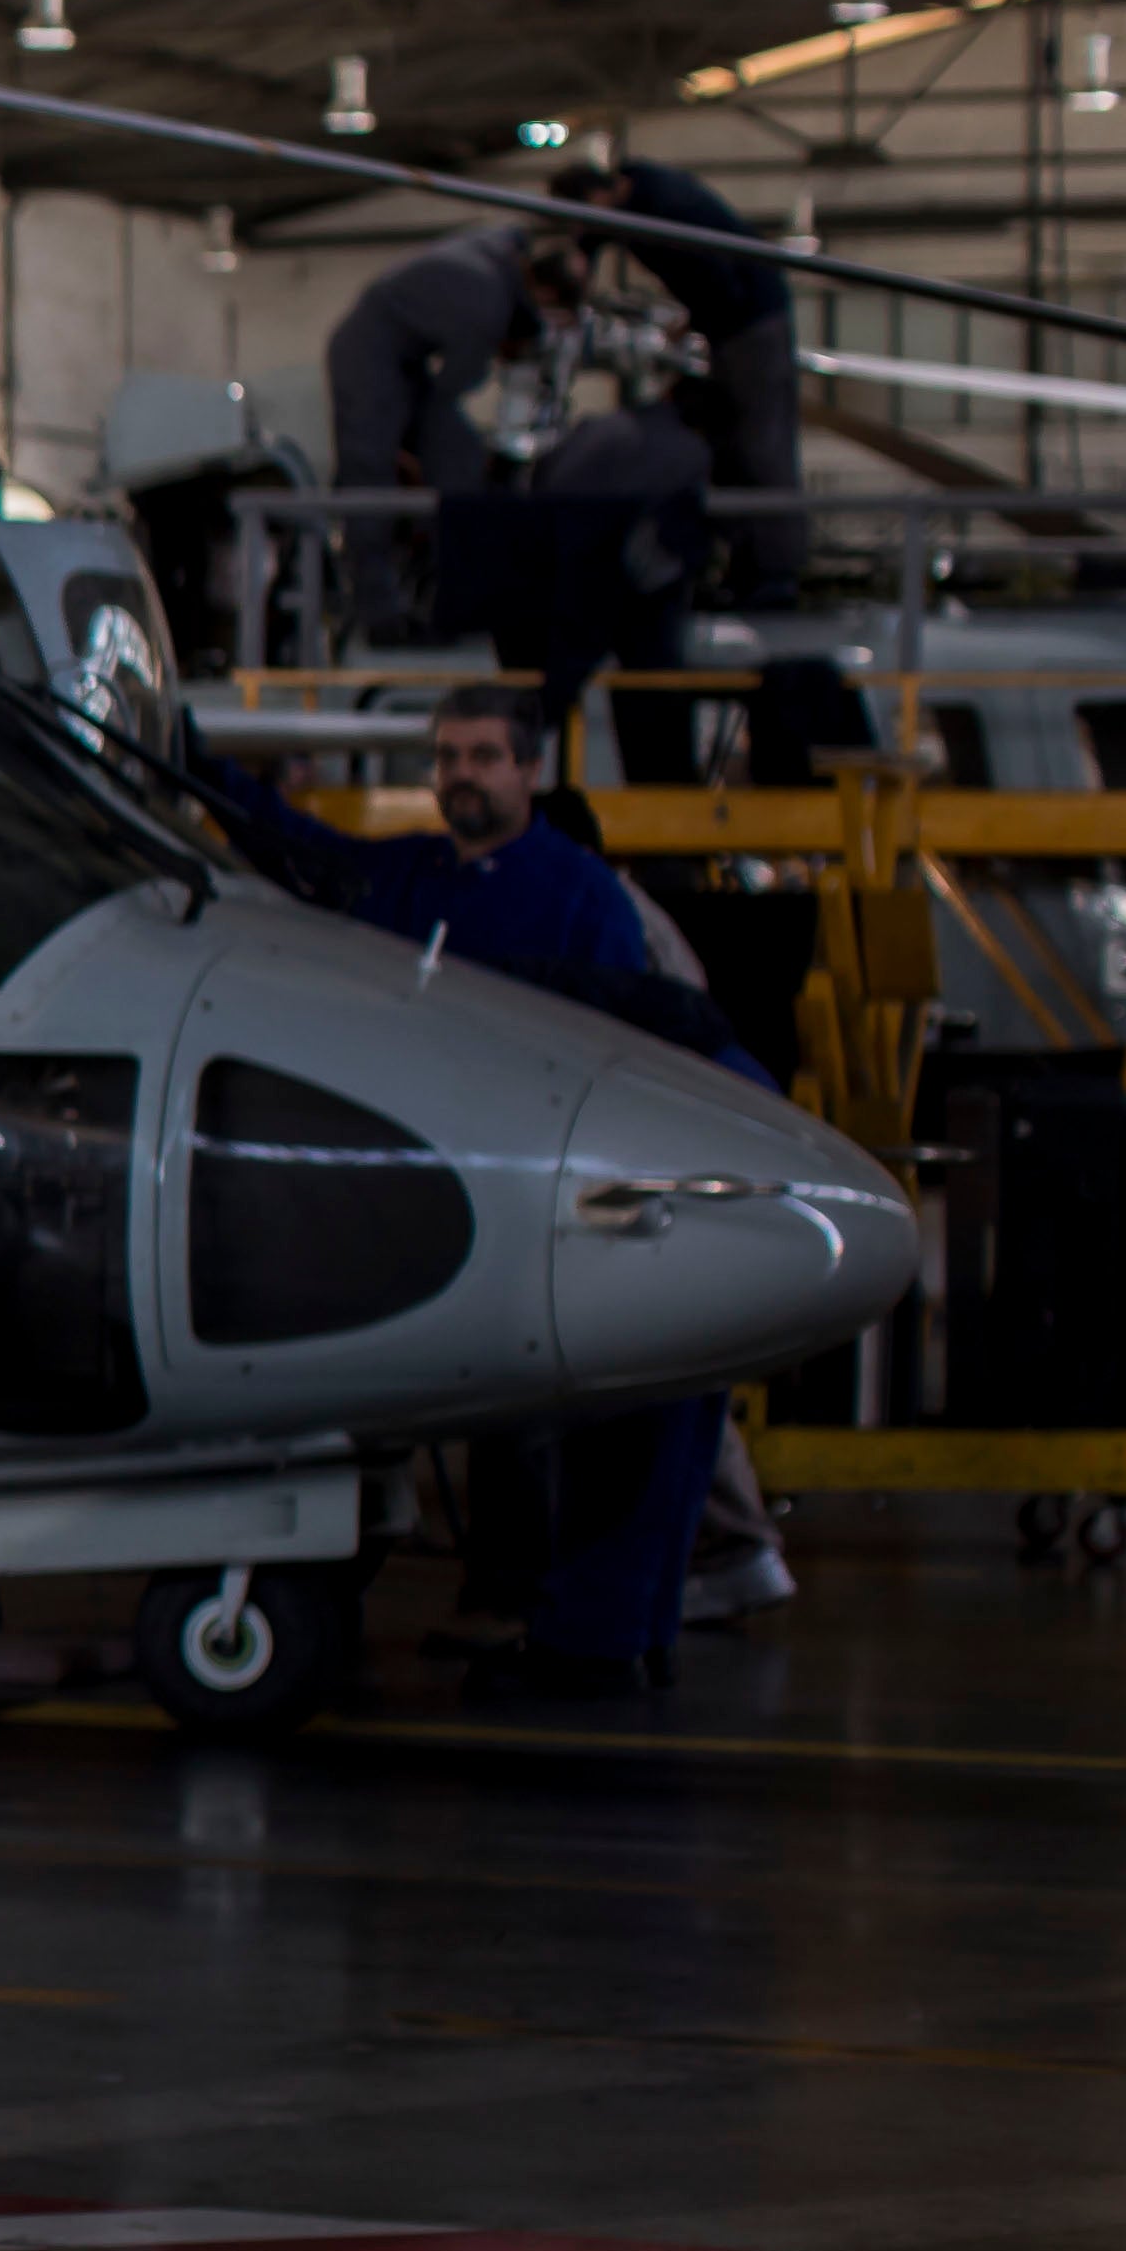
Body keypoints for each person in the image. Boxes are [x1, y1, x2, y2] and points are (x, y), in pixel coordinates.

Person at [298, 682, 730, 1698]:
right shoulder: (464, 885)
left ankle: (579, 1624)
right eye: (448, 757)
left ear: (530, 777)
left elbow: (621, 1047)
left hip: (620, 1162)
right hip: (586, 1161)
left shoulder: (589, 912)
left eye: (482, 757)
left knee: (589, 1410)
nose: (460, 776)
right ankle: (618, 1624)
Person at [319, 219, 592, 639]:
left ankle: (460, 598)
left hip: (407, 360)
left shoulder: (501, 253)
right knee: (370, 478)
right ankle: (381, 615)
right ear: (544, 295)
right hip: (369, 354)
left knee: (459, 459)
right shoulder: (487, 301)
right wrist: (408, 447)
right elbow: (455, 387)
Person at [553, 151, 802, 597]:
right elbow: (591, 241)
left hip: (750, 322)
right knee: (731, 445)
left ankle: (776, 574)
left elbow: (721, 281)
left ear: (598, 197)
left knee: (759, 446)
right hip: (729, 323)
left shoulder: (667, 208)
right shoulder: (629, 201)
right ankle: (746, 564)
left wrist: (700, 320)